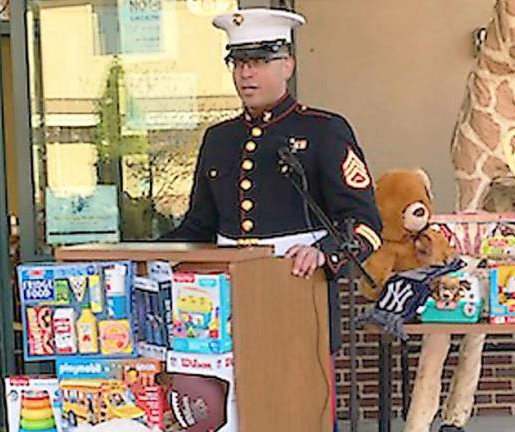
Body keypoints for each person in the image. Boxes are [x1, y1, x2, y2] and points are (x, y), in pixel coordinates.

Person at [163, 7, 382, 357]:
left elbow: (365, 224)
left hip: (296, 289)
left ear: (287, 65)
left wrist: (324, 252)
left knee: (298, 405)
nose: (246, 73)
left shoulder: (323, 130)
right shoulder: (218, 138)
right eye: (238, 63)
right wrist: (147, 254)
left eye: (259, 61)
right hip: (223, 303)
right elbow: (198, 226)